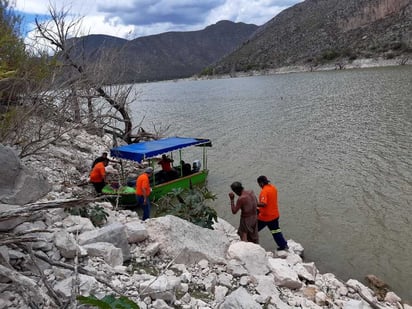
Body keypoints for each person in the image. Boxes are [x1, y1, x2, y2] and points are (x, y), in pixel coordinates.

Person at [256, 175, 289, 251]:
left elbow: (264, 204)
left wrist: (254, 203)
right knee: (276, 231)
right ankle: (283, 245)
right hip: (274, 215)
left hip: (265, 217)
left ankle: (249, 245)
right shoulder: (273, 188)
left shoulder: (264, 191)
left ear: (261, 183)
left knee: (253, 230)